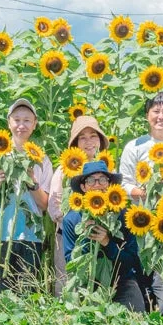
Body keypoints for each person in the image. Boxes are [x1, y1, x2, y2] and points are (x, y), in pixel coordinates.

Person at [0, 98, 52, 294]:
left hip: (30, 236)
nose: (21, 125)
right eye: (17, 120)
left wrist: (32, 182)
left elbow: (44, 204)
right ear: (9, 123)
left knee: (26, 295)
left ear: (34, 125)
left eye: (27, 120)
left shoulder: (41, 159)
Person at [61, 160, 148, 312]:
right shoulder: (73, 219)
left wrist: (108, 243)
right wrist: (88, 240)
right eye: (90, 180)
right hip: (87, 284)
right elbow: (71, 262)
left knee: (137, 321)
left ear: (109, 184)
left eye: (102, 179)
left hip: (121, 281)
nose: (97, 185)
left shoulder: (124, 216)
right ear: (83, 187)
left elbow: (132, 260)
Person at [47, 115, 109, 295]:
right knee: (68, 283)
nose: (88, 142)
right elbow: (54, 207)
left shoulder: (107, 168)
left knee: (99, 284)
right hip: (69, 237)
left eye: (93, 136)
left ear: (100, 140)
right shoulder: (65, 169)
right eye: (82, 137)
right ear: (75, 143)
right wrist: (74, 220)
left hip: (100, 237)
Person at [119, 91, 163, 200]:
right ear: (147, 115)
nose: (160, 117)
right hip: (143, 212)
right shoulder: (134, 146)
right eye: (156, 111)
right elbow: (124, 184)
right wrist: (147, 194)